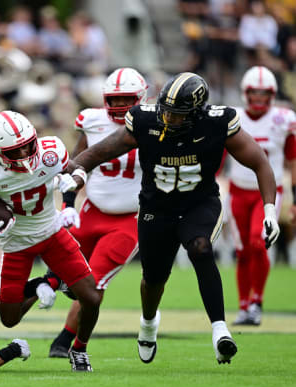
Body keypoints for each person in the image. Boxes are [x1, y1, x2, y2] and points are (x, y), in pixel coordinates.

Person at [68, 72, 278, 364]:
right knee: (153, 279)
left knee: (201, 248)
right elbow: (101, 151)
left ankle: (220, 330)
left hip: (199, 203)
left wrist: (269, 210)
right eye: (166, 111)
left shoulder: (217, 122)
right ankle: (149, 321)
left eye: (177, 114)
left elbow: (260, 163)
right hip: (157, 207)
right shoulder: (146, 119)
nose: (169, 119)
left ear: (196, 112)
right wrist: (76, 169)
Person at [0, 110, 102, 372]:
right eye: (15, 151)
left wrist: (74, 179)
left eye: (27, 147)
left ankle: (79, 349)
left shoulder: (49, 152)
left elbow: (78, 169)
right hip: (16, 244)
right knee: (10, 319)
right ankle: (43, 283)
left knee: (91, 297)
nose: (24, 155)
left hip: (52, 232)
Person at [48, 68, 146, 358]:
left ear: (140, 98)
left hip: (130, 218)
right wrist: (67, 204)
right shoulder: (92, 120)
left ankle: (68, 341)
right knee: (57, 270)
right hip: (92, 210)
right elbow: (77, 165)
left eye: (125, 99)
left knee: (93, 284)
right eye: (114, 100)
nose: (118, 106)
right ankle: (13, 307)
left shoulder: (155, 124)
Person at [228, 66, 296, 326]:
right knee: (242, 250)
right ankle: (244, 306)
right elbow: (218, 156)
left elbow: (292, 160)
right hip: (237, 191)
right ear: (246, 94)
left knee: (259, 242)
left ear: (272, 94)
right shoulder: (233, 117)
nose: (258, 98)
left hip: (267, 193)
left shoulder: (283, 119)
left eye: (263, 93)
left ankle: (257, 302)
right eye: (253, 93)